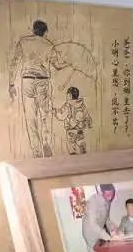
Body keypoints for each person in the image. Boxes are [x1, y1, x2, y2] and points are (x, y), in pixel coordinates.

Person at [8, 20, 67, 158]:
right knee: (45, 114)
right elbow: (57, 65)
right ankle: (46, 142)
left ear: (33, 30)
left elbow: (14, 63)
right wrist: (66, 62)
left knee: (31, 117)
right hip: (43, 80)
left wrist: (11, 84)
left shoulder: (23, 42)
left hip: (27, 80)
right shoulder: (49, 45)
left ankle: (36, 151)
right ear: (45, 32)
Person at [82, 183, 119, 252]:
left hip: (100, 232)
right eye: (108, 194)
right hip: (91, 234)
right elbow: (93, 224)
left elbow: (106, 219)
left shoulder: (108, 201)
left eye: (112, 193)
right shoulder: (92, 202)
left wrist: (114, 228)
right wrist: (108, 238)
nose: (111, 197)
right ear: (102, 192)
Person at [55, 86, 93, 155]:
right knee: (81, 141)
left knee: (72, 145)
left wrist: (56, 113)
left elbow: (62, 116)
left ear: (69, 96)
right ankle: (83, 151)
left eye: (67, 95)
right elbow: (86, 115)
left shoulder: (67, 105)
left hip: (70, 130)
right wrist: (89, 123)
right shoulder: (82, 105)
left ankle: (73, 155)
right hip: (80, 129)